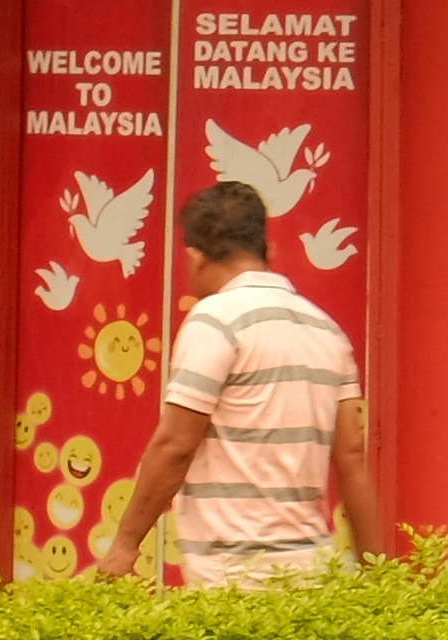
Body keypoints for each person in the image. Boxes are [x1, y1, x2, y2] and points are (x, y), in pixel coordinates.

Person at [95, 180, 377, 587]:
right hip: (313, 576)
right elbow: (352, 460)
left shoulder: (215, 321)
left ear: (195, 258)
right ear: (267, 251)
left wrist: (124, 545)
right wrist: (377, 570)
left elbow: (175, 446)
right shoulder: (326, 330)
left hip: (232, 579)